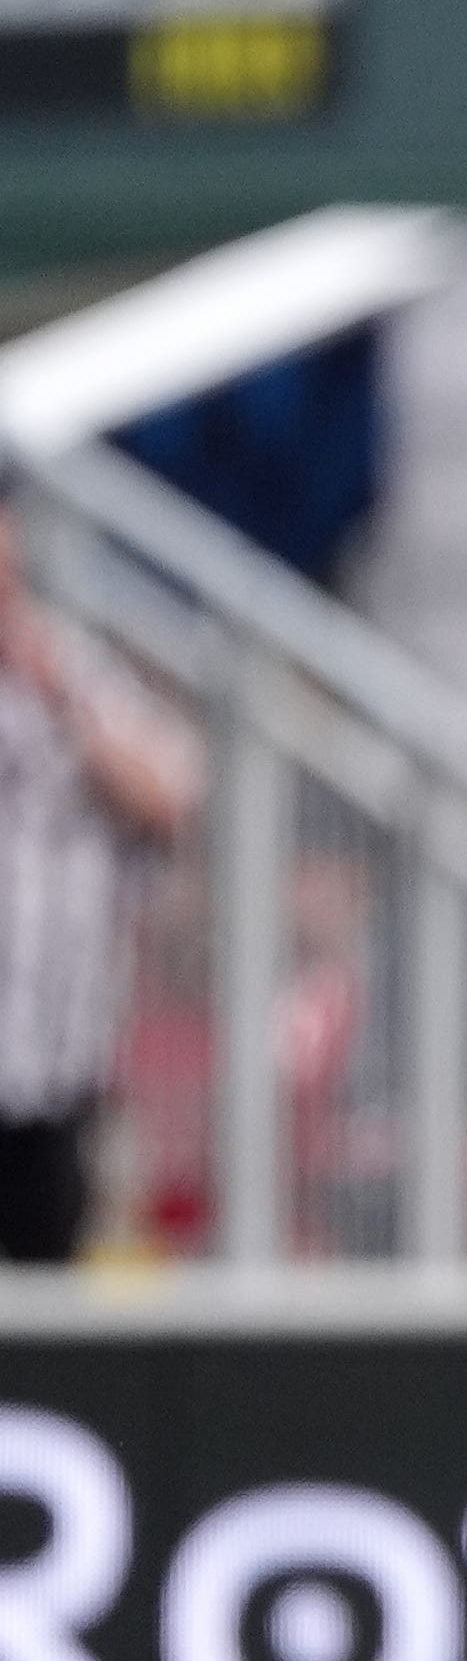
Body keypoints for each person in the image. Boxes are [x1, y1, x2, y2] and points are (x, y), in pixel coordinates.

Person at [0, 504, 197, 1264]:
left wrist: (55, 690)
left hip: (54, 1066)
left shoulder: (75, 670)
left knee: (50, 1299)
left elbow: (168, 790)